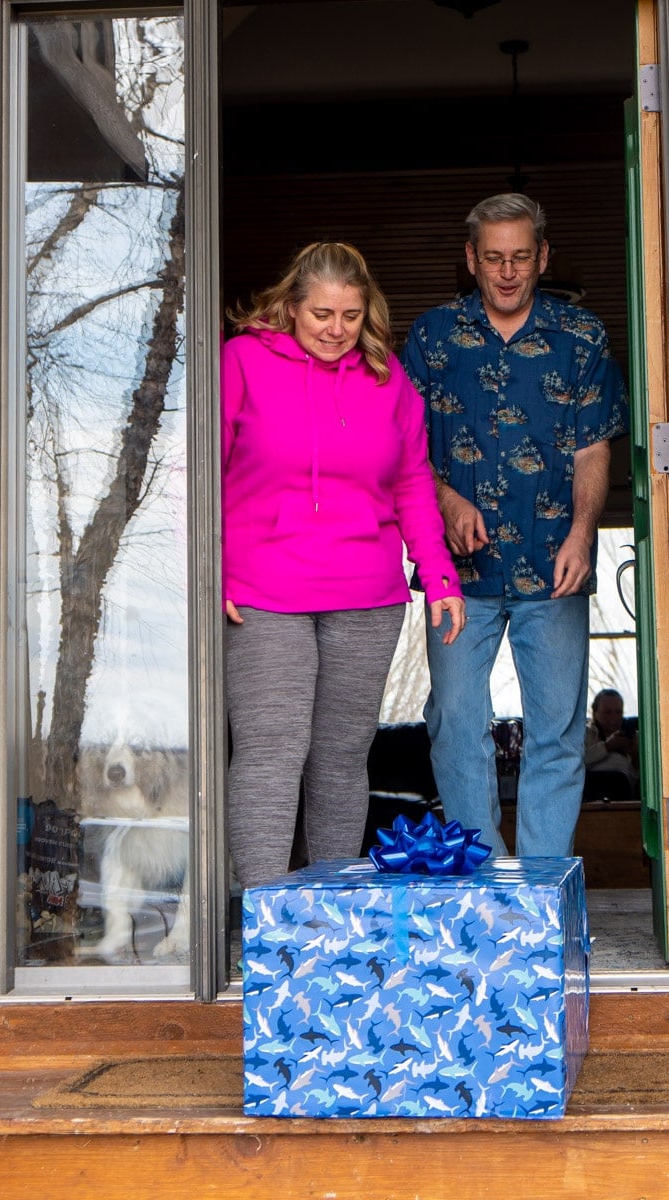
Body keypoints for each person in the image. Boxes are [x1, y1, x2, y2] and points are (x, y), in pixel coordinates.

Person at [222, 241, 466, 890]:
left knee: (339, 758)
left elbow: (414, 482)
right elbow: (201, 473)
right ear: (291, 307)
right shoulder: (241, 361)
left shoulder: (390, 383)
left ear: (368, 314)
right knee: (272, 753)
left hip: (367, 592)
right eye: (322, 314)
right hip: (261, 588)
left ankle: (327, 913)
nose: (336, 330)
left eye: (351, 316)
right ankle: (263, 912)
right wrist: (208, 573)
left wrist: (438, 574)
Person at [401, 193, 629, 858]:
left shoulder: (581, 337)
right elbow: (402, 447)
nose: (506, 272)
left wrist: (585, 534)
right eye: (493, 258)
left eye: (520, 257)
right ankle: (483, 875)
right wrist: (444, 498)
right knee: (452, 723)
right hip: (458, 575)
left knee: (557, 733)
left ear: (543, 257)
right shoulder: (432, 335)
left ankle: (539, 888)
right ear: (471, 259)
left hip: (553, 564)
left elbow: (594, 447)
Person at [584, 688, 639, 802]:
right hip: (592, 790)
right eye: (608, 712)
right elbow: (579, 763)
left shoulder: (633, 736)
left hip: (625, 793)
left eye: (618, 712)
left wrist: (634, 755)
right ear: (595, 712)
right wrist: (607, 746)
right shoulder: (586, 734)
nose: (613, 718)